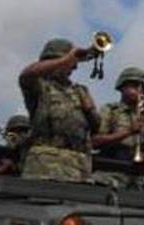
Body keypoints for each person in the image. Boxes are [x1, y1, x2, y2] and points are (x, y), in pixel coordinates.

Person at [18, 38, 101, 182]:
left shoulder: (79, 91)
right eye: (70, 64)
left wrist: (89, 110)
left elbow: (96, 128)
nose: (73, 68)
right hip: (44, 166)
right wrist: (67, 59)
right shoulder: (40, 87)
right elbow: (26, 75)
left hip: (79, 167)